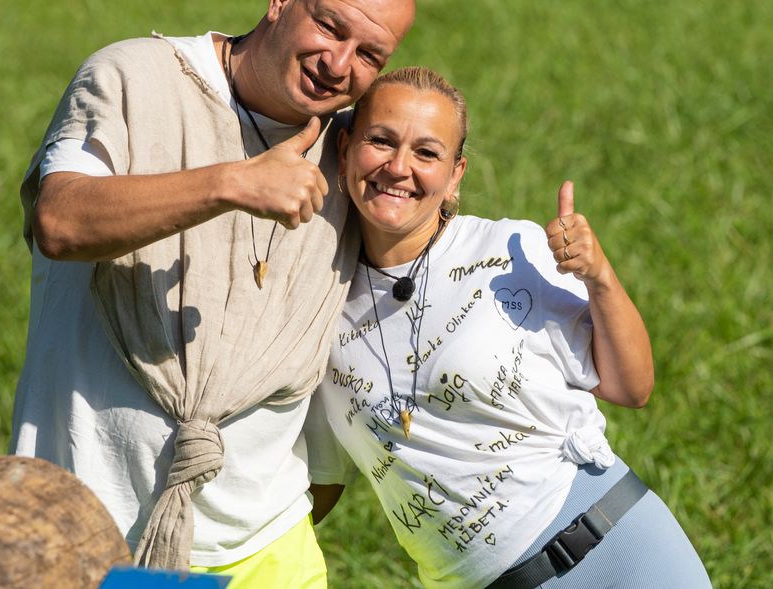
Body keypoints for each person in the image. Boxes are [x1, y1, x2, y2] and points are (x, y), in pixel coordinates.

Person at [8, 0, 416, 587]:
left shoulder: (350, 156)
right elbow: (59, 220)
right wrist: (231, 183)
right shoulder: (134, 78)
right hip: (90, 535)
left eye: (369, 54)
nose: (339, 64)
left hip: (267, 548)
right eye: (329, 27)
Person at [305, 67, 711, 588]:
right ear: (345, 150)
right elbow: (321, 479)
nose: (399, 167)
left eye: (427, 153)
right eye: (380, 141)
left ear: (456, 175)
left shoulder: (509, 251)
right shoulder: (317, 302)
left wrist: (600, 277)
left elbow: (632, 388)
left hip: (616, 553)